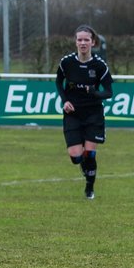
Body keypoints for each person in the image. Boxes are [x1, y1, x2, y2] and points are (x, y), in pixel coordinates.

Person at [57, 25, 113, 200]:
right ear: (75, 42)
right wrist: (65, 101)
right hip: (73, 114)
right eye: (79, 39)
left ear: (92, 42)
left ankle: (90, 187)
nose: (82, 43)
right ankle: (84, 167)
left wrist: (94, 93)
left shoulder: (99, 66)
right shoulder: (66, 63)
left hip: (93, 115)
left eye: (86, 40)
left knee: (90, 154)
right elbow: (59, 83)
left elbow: (109, 92)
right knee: (76, 157)